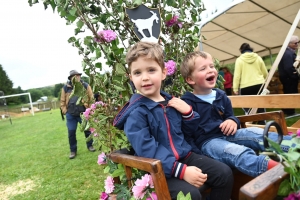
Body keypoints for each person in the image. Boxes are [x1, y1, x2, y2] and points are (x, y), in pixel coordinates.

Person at [113, 42, 233, 200]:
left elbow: (187, 133)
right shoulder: (136, 113)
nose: (145, 77)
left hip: (185, 155)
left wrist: (188, 114)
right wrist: (181, 171)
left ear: (163, 73)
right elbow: (147, 150)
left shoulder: (172, 103)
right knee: (191, 195)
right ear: (131, 78)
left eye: (151, 70)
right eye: (137, 73)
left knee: (224, 173)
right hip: (158, 169)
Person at [180, 51, 292, 178]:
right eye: (203, 68)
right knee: (236, 152)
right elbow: (187, 134)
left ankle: (293, 146)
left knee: (255, 133)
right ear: (190, 79)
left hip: (229, 134)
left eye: (211, 66)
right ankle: (277, 170)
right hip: (208, 142)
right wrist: (199, 156)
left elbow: (231, 117)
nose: (210, 70)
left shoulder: (221, 96)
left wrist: (232, 121)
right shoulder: (187, 104)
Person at [60, 70, 96, 159]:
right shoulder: (65, 88)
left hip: (83, 113)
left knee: (87, 130)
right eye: (74, 76)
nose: (77, 77)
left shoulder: (85, 86)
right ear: (71, 78)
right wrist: (65, 111)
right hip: (71, 115)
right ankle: (73, 151)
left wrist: (90, 110)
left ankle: (90, 146)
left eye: (78, 76)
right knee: (71, 133)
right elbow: (62, 101)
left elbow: (91, 98)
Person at [232, 43, 268, 124]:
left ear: (241, 51)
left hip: (245, 86)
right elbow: (265, 72)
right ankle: (262, 125)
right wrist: (266, 81)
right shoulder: (258, 58)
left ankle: (251, 124)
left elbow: (237, 75)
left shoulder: (239, 60)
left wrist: (235, 88)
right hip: (259, 84)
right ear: (251, 49)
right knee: (260, 107)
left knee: (247, 108)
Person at [278, 35, 299, 116]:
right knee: (291, 94)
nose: (297, 44)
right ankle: (290, 112)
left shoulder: (288, 52)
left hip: (287, 77)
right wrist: (295, 76)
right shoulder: (288, 53)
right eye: (295, 43)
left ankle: (286, 110)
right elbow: (288, 67)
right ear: (289, 44)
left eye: (298, 42)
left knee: (288, 93)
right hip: (288, 78)